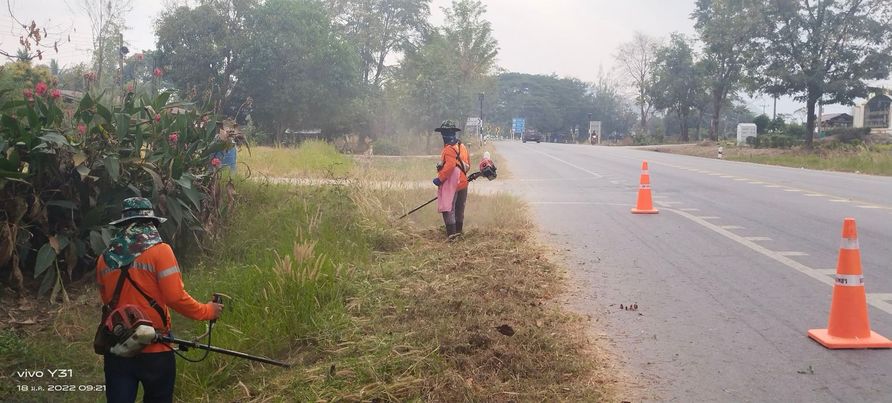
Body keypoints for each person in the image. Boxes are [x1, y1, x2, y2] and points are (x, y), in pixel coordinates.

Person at [96, 197, 223, 403]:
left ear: (123, 225)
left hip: (118, 347)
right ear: (151, 224)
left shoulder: (104, 259)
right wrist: (207, 311)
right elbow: (175, 297)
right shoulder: (161, 251)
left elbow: (107, 300)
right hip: (155, 348)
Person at [432, 120, 471, 239]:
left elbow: (450, 166)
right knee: (459, 209)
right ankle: (459, 233)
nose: (443, 135)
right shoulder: (462, 146)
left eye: (444, 133)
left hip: (452, 184)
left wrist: (440, 179)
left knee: (448, 209)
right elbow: (468, 165)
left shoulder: (449, 148)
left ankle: (452, 237)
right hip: (463, 182)